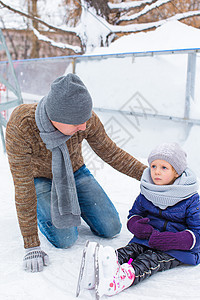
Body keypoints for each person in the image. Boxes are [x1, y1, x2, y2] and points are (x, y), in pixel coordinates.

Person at [5, 73, 146, 273]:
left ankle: (72, 202)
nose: (84, 127)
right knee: (66, 239)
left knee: (111, 227)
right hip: (39, 180)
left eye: (85, 119)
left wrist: (148, 175)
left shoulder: (84, 118)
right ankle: (43, 208)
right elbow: (22, 185)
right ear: (56, 117)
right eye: (77, 123)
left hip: (75, 173)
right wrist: (31, 244)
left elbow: (111, 152)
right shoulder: (22, 125)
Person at [79, 143, 200, 297]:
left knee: (150, 259)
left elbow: (197, 234)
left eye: (164, 168)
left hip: (177, 249)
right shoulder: (148, 190)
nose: (156, 172)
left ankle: (124, 278)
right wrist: (137, 226)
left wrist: (168, 240)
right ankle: (104, 264)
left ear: (176, 172)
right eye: (154, 166)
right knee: (130, 251)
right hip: (148, 238)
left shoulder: (190, 198)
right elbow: (134, 214)